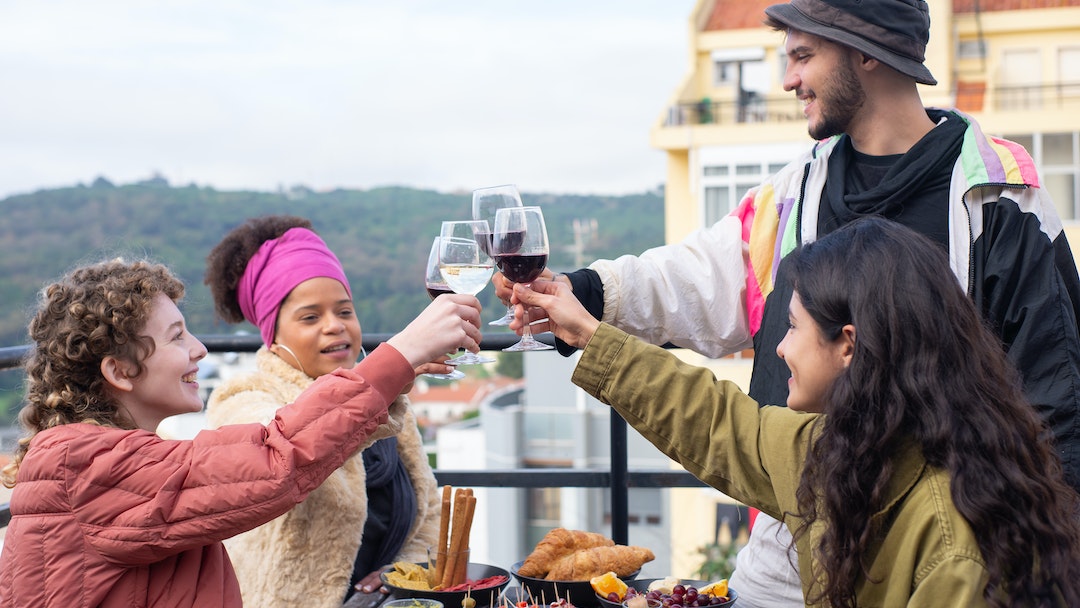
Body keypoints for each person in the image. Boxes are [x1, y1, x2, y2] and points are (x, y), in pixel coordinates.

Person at [495, 0, 1080, 604]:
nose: (787, 80)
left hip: (934, 553)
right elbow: (693, 282)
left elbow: (1057, 404)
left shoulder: (999, 196)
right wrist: (580, 295)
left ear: (866, 52)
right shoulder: (794, 193)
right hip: (787, 559)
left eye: (803, 55)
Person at [511, 217, 1080, 607]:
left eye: (792, 326)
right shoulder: (852, 445)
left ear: (849, 345)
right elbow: (715, 421)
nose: (778, 349)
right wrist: (588, 333)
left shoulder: (956, 547)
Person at [0, 257, 481, 607]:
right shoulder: (90, 466)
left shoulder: (97, 456)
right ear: (120, 372)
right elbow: (275, 459)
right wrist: (400, 354)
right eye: (176, 337)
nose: (200, 350)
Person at [202, 215, 448, 607]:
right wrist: (383, 379)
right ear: (273, 333)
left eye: (345, 312)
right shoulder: (243, 395)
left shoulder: (390, 402)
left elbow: (429, 512)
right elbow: (284, 451)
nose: (335, 327)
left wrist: (404, 572)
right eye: (310, 317)